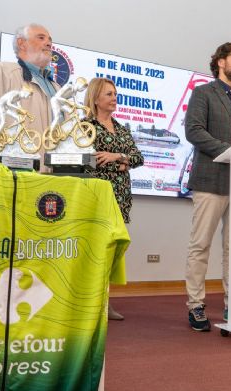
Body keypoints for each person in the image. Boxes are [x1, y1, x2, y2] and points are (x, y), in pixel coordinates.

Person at [183, 41, 231, 331]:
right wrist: (229, 150)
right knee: (200, 245)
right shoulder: (203, 93)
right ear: (220, 61)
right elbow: (194, 130)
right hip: (209, 179)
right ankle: (196, 305)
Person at [83, 77, 145, 320]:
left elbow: (138, 158)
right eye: (108, 94)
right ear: (96, 98)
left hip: (120, 197)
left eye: (115, 94)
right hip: (97, 196)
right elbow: (87, 160)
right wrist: (121, 162)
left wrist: (116, 156)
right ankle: (90, 303)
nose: (114, 98)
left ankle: (105, 303)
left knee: (111, 251)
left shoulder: (121, 128)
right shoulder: (86, 126)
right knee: (94, 250)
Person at [0, 23, 60, 164]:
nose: (49, 43)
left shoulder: (57, 88)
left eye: (50, 40)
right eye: (41, 38)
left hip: (54, 178)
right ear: (21, 43)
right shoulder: (2, 72)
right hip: (11, 176)